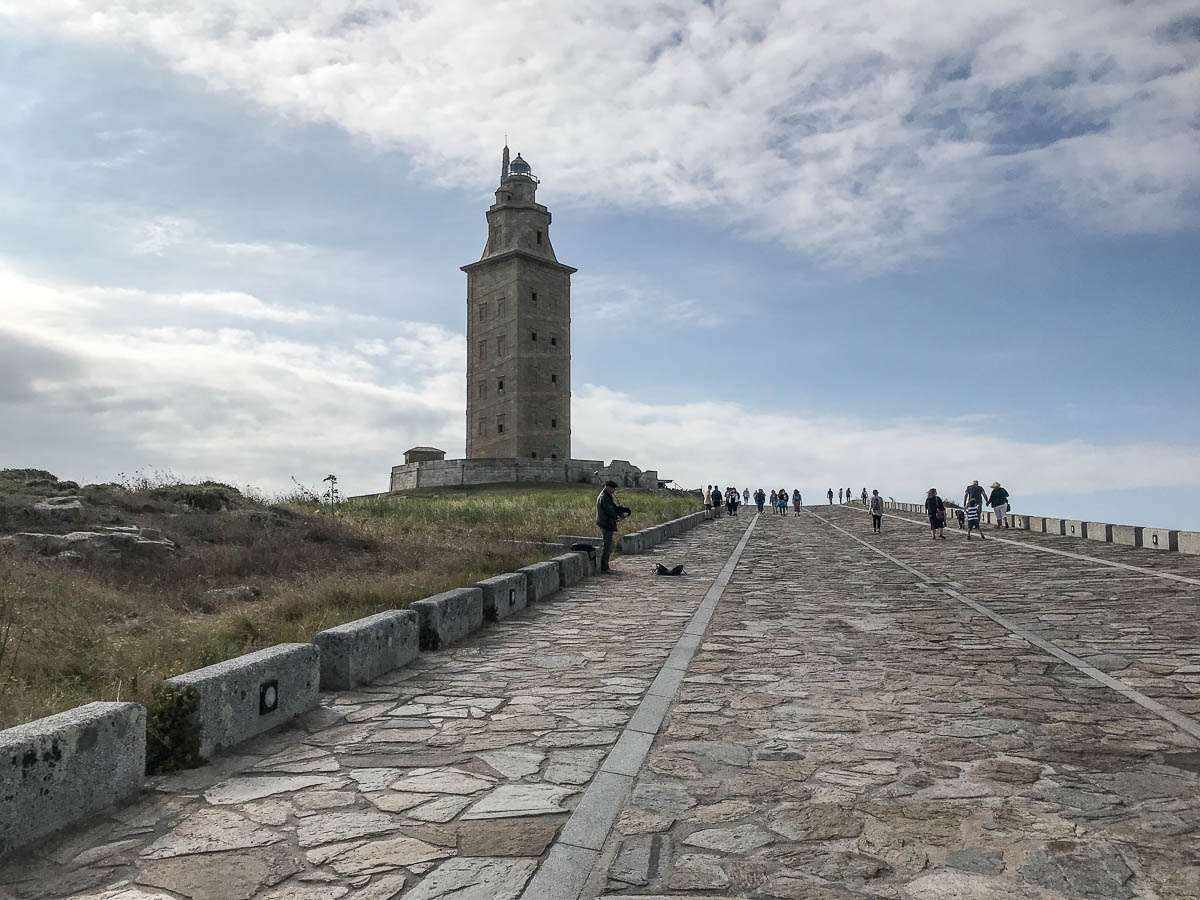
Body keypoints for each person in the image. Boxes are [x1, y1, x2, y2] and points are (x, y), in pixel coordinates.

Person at [596, 480, 631, 573]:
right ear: (609, 488)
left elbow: (614, 507)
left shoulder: (607, 496)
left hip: (607, 523)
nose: (614, 491)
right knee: (606, 545)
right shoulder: (604, 497)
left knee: (607, 544)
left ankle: (605, 566)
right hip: (605, 523)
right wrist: (618, 516)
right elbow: (609, 511)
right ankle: (604, 568)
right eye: (613, 489)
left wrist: (622, 510)